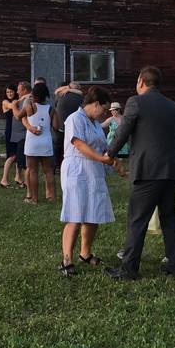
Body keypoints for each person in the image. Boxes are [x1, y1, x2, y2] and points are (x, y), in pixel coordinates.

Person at [104, 66, 175, 280]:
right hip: (171, 168)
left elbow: (123, 130)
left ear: (141, 81)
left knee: (137, 219)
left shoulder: (136, 102)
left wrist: (110, 153)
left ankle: (129, 269)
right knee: (169, 217)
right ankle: (174, 264)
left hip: (148, 169)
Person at [58, 87, 117, 276]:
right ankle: (67, 258)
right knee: (75, 214)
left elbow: (103, 147)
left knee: (94, 213)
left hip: (94, 171)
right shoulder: (75, 119)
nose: (105, 113)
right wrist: (100, 159)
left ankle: (85, 253)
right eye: (104, 109)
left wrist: (114, 161)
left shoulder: (96, 124)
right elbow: (79, 143)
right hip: (77, 170)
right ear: (96, 104)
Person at [22, 82, 58, 204]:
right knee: (48, 171)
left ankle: (34, 198)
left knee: (32, 171)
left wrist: (16, 104)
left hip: (32, 142)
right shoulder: (51, 109)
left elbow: (18, 116)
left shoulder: (29, 106)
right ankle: (52, 197)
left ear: (35, 94)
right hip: (46, 142)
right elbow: (56, 126)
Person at [53, 81, 84, 172]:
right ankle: (70, 166)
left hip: (60, 124)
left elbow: (55, 105)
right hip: (73, 126)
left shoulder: (60, 95)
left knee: (57, 146)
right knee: (71, 147)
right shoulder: (80, 97)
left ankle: (56, 166)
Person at [9, 81, 32, 196]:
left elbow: (18, 116)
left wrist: (13, 105)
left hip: (24, 134)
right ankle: (24, 181)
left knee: (24, 162)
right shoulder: (23, 99)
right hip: (20, 135)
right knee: (21, 161)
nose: (17, 91)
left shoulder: (26, 101)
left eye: (19, 89)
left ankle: (28, 185)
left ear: (25, 90)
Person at [0, 85, 24, 188]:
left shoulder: (18, 102)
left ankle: (18, 177)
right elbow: (11, 106)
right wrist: (23, 98)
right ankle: (4, 179)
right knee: (12, 155)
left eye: (11, 92)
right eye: (7, 92)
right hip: (10, 131)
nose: (9, 94)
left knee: (19, 155)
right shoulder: (5, 102)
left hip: (18, 131)